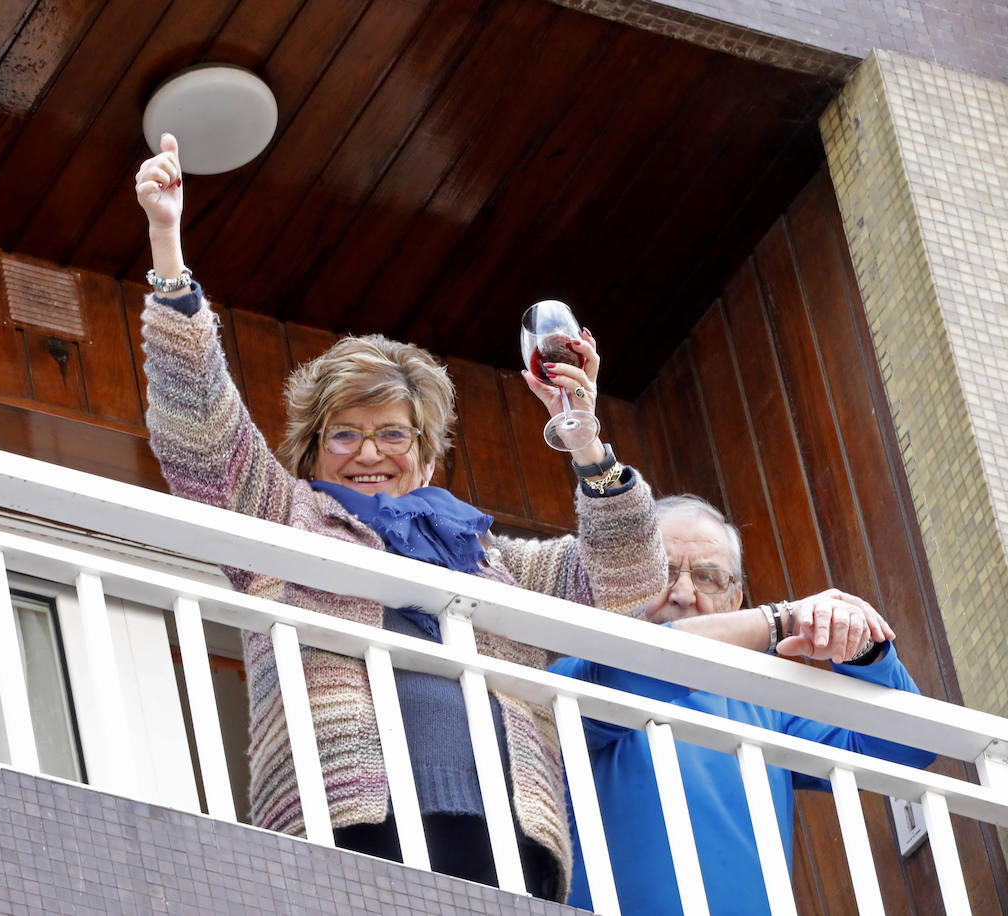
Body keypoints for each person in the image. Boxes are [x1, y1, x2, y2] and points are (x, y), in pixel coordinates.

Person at [133, 134, 666, 901]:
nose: (369, 453)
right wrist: (168, 249)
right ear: (313, 449)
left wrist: (582, 436)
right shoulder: (283, 518)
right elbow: (201, 429)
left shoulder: (487, 557)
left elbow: (626, 581)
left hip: (507, 828)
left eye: (393, 434)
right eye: (344, 434)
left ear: (425, 454)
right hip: (352, 821)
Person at [550, 494, 936, 915]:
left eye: (708, 578)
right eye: (661, 571)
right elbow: (644, 665)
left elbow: (905, 748)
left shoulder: (762, 701)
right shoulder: (578, 673)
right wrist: (784, 619)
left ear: (735, 601)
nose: (683, 593)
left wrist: (862, 650)